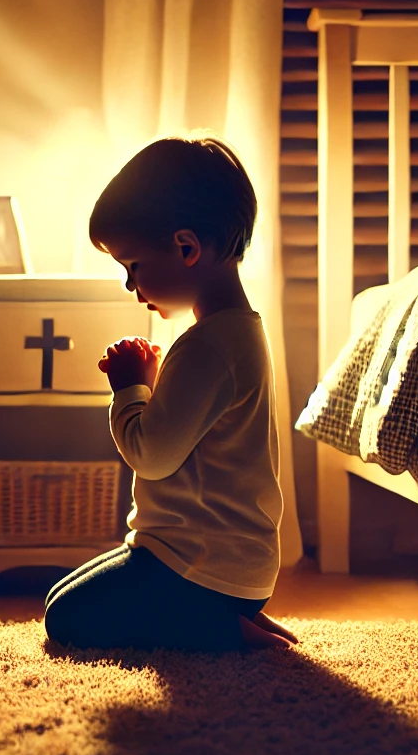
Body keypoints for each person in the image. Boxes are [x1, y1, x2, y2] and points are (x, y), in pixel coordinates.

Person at [43, 135, 297, 652]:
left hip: (202, 566)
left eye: (132, 265)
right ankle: (228, 614)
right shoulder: (236, 333)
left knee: (66, 619)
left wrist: (130, 388)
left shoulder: (208, 347)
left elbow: (152, 456)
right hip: (204, 557)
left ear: (186, 248)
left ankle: (219, 626)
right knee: (58, 596)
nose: (130, 286)